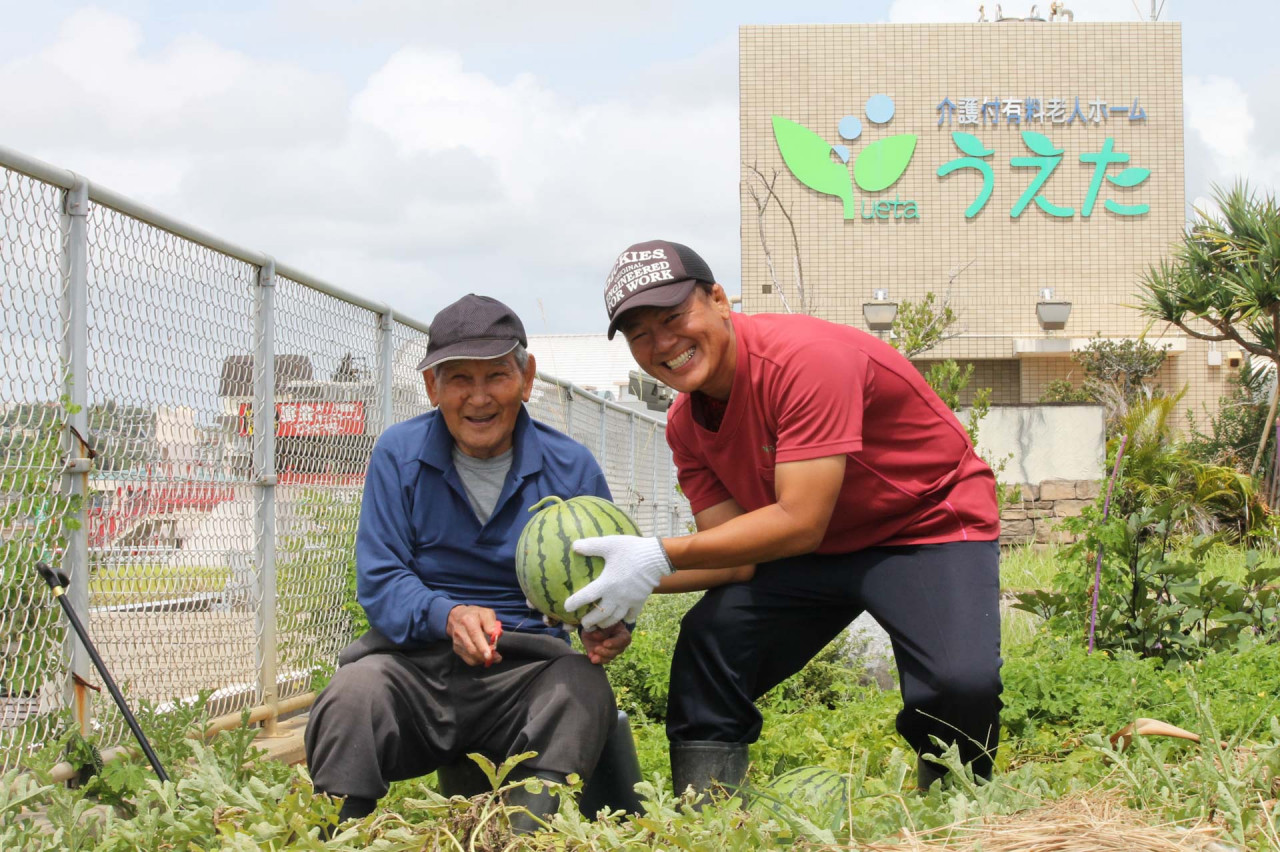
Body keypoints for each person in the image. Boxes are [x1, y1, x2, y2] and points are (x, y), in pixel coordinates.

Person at [566, 240, 1003, 796]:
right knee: (710, 643)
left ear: (720, 300)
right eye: (641, 334)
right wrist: (623, 587)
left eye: (675, 317)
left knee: (958, 682)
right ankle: (713, 818)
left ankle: (955, 807)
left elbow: (799, 521)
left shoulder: (805, 360)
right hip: (814, 549)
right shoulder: (685, 424)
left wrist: (657, 556)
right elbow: (733, 558)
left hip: (921, 525)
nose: (664, 343)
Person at [305, 292, 750, 833]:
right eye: (459, 379)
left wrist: (609, 627)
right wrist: (448, 614)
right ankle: (337, 838)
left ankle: (519, 837)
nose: (478, 398)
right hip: (414, 665)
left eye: (495, 376)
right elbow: (380, 580)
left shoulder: (570, 465)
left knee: (583, 688)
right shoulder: (398, 454)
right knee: (353, 693)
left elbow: (604, 575)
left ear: (526, 377)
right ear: (432, 387)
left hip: (530, 671)